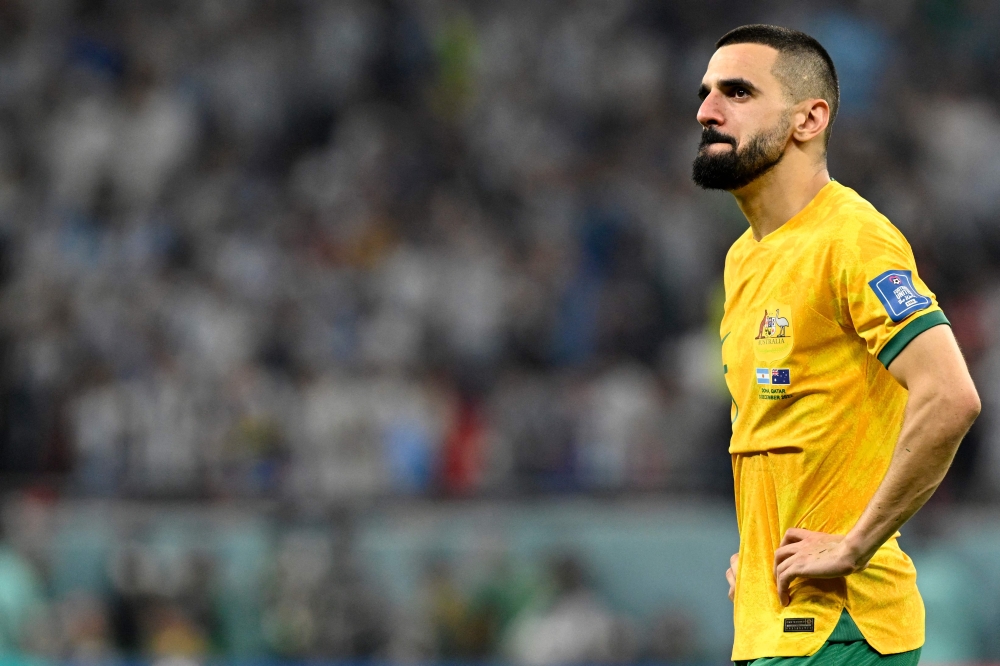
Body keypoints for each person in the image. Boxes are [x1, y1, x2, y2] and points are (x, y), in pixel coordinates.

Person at [693, 24, 981, 665]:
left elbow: (951, 396)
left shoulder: (853, 239)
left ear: (809, 118)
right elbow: (783, 425)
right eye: (708, 92)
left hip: (841, 630)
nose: (706, 111)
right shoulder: (744, 258)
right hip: (772, 625)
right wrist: (756, 544)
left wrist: (855, 542)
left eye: (737, 92)